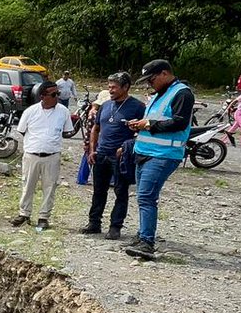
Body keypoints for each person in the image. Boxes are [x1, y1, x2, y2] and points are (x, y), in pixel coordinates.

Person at [124, 59, 195, 260]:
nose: (150, 83)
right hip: (145, 151)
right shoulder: (159, 94)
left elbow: (179, 123)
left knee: (146, 197)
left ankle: (147, 242)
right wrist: (139, 125)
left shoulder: (182, 93)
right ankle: (142, 235)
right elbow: (156, 120)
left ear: (164, 74)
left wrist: (148, 125)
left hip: (163, 155)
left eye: (152, 79)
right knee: (142, 196)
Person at [82, 73, 145, 239]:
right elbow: (96, 128)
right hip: (101, 154)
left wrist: (128, 146)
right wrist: (92, 149)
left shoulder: (137, 107)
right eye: (109, 87)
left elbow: (144, 132)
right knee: (98, 190)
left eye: (114, 87)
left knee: (120, 191)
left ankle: (115, 226)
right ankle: (94, 223)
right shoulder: (105, 105)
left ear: (125, 87)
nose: (110, 90)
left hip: (121, 157)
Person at [11, 81, 74, 231]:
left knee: (49, 187)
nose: (57, 97)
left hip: (52, 156)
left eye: (58, 93)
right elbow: (21, 130)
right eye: (53, 94)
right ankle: (24, 214)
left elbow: (67, 132)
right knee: (28, 185)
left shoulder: (63, 111)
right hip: (32, 155)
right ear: (42, 96)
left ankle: (43, 217)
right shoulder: (30, 111)